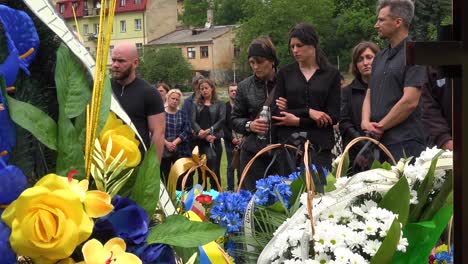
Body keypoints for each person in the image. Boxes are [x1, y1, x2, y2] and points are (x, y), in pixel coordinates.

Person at [361, 0, 427, 162]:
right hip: (377, 142)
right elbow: (370, 92)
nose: (377, 25)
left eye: (381, 20)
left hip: (405, 142)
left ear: (398, 22)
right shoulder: (379, 57)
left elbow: (410, 101)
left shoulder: (415, 52)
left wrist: (380, 126)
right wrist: (365, 122)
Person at [272, 22, 341, 174]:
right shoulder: (285, 74)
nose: (295, 50)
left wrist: (296, 119)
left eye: (299, 45)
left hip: (320, 146)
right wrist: (309, 112)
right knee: (290, 194)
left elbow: (333, 117)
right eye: (292, 47)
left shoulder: (331, 75)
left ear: (313, 45)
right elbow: (277, 113)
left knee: (319, 193)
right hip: (290, 146)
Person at [231, 36, 279, 190]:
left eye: (260, 62)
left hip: (282, 153)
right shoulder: (244, 86)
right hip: (253, 154)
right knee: (254, 202)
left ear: (272, 60)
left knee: (284, 203)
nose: (256, 67)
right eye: (252, 62)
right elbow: (234, 119)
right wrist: (249, 125)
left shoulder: (287, 81)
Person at [111, 42, 165, 161]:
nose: (115, 65)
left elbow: (158, 133)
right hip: (105, 163)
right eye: (113, 60)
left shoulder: (149, 93)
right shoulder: (103, 90)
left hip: (137, 163)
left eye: (121, 61)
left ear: (135, 63)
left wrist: (152, 170)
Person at [340, 41, 380, 172]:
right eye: (360, 59)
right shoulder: (347, 92)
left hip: (385, 149)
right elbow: (344, 122)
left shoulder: (387, 89)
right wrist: (363, 143)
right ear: (356, 65)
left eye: (369, 57)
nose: (365, 63)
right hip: (357, 154)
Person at [191, 79, 225, 188]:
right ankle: (202, 198)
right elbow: (193, 121)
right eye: (202, 89)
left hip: (214, 141)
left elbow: (222, 120)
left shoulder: (220, 104)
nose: (204, 91)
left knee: (215, 171)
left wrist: (210, 131)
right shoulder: (196, 104)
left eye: (206, 88)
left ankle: (216, 196)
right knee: (202, 172)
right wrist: (201, 132)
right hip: (200, 141)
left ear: (212, 88)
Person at [161, 89, 192, 186]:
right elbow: (156, 130)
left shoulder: (182, 114)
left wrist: (174, 143)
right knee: (163, 175)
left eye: (177, 99)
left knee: (180, 176)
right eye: (172, 98)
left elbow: (187, 130)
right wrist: (166, 143)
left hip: (180, 149)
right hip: (163, 150)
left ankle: (179, 197)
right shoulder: (161, 114)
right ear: (168, 98)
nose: (174, 101)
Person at [223, 83, 242, 191]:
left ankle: (240, 188)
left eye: (236, 90)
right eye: (232, 91)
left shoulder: (242, 106)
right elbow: (223, 125)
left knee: (240, 165)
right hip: (229, 141)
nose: (234, 92)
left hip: (242, 140)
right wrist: (231, 138)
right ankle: (230, 189)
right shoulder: (225, 107)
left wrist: (241, 139)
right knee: (230, 166)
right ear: (228, 93)